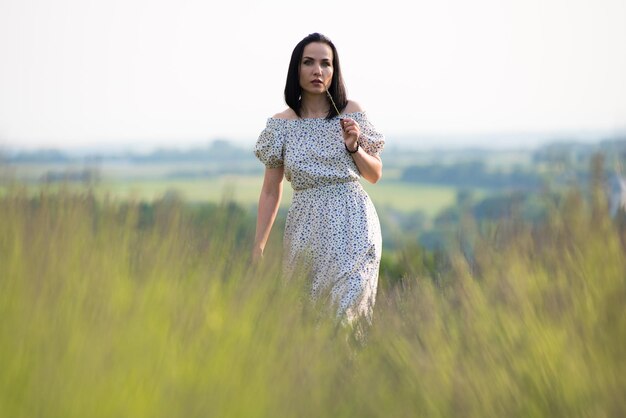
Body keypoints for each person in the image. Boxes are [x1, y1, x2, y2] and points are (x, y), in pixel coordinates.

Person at [252, 32, 385, 325]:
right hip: (306, 226)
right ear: (295, 69)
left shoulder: (352, 113)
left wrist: (354, 147)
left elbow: (374, 174)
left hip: (354, 223)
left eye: (326, 63)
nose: (317, 71)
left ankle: (351, 369)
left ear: (334, 71)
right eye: (308, 62)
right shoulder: (280, 125)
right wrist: (259, 245)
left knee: (347, 313)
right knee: (309, 317)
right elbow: (271, 191)